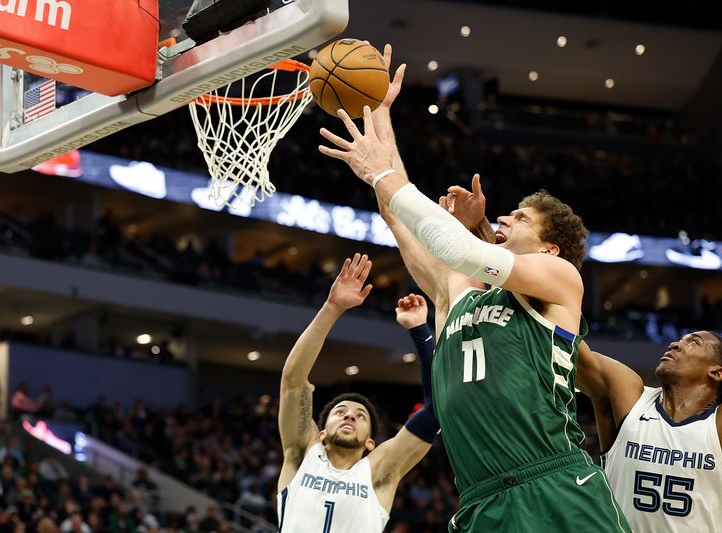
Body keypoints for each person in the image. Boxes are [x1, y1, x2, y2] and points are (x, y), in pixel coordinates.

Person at [317, 45, 630, 532]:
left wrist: (392, 179)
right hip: (481, 501)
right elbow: (400, 215)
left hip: (554, 484)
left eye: (520, 217)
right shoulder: (454, 294)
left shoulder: (561, 279)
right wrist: (377, 113)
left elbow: (466, 253)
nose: (505, 216)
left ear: (550, 248)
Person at [277, 253, 440, 532]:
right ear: (322, 432)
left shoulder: (379, 472)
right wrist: (331, 308)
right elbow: (293, 381)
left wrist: (420, 331)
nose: (349, 416)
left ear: (370, 443)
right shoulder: (302, 452)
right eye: (340, 412)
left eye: (360, 416)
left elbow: (436, 408)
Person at [577, 331, 722, 531]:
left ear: (716, 372)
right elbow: (566, 349)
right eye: (679, 340)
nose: (674, 344)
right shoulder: (631, 396)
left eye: (693, 342)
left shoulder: (716, 425)